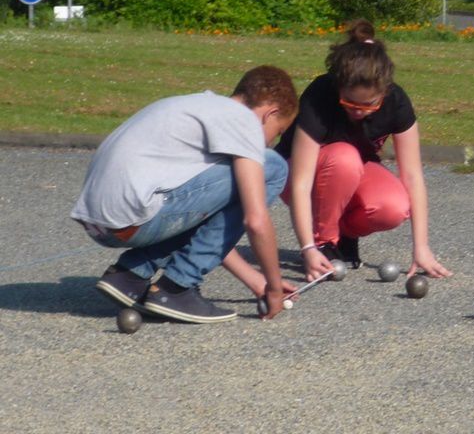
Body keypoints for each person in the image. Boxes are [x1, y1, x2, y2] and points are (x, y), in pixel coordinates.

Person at [71, 65, 298, 323]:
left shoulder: (201, 107)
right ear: (271, 113)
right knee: (274, 166)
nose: (269, 143)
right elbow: (255, 220)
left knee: (242, 181)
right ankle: (176, 289)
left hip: (101, 223)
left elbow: (203, 220)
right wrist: (275, 286)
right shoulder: (243, 120)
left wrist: (255, 278)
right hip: (134, 218)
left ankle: (129, 276)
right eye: (276, 133)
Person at [275, 19, 452, 282]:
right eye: (350, 103)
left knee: (393, 207)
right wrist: (308, 248)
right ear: (339, 88)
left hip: (348, 176)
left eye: (369, 105)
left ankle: (343, 234)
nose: (359, 111)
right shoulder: (321, 94)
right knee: (344, 157)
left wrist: (421, 248)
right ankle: (325, 242)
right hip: (294, 174)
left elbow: (413, 177)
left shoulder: (396, 101)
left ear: (384, 91)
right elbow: (300, 183)